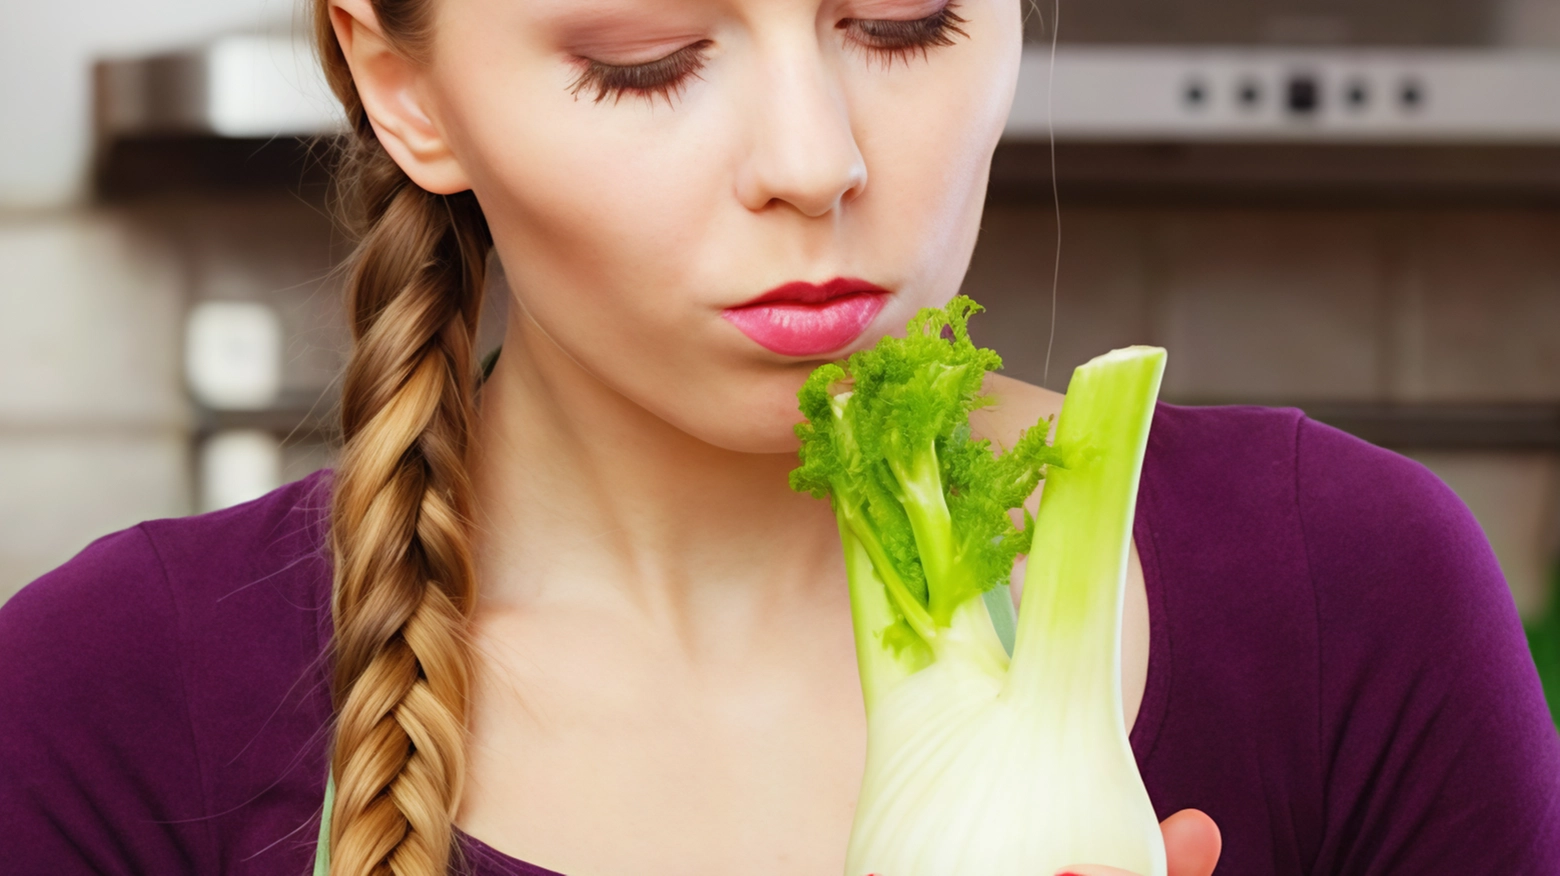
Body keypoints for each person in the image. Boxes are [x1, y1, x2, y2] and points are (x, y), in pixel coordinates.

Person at [2, 0, 1556, 873]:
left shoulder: (1352, 597)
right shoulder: (102, 710)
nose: (817, 164)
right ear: (403, 82)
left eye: (903, 19)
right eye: (648, 58)